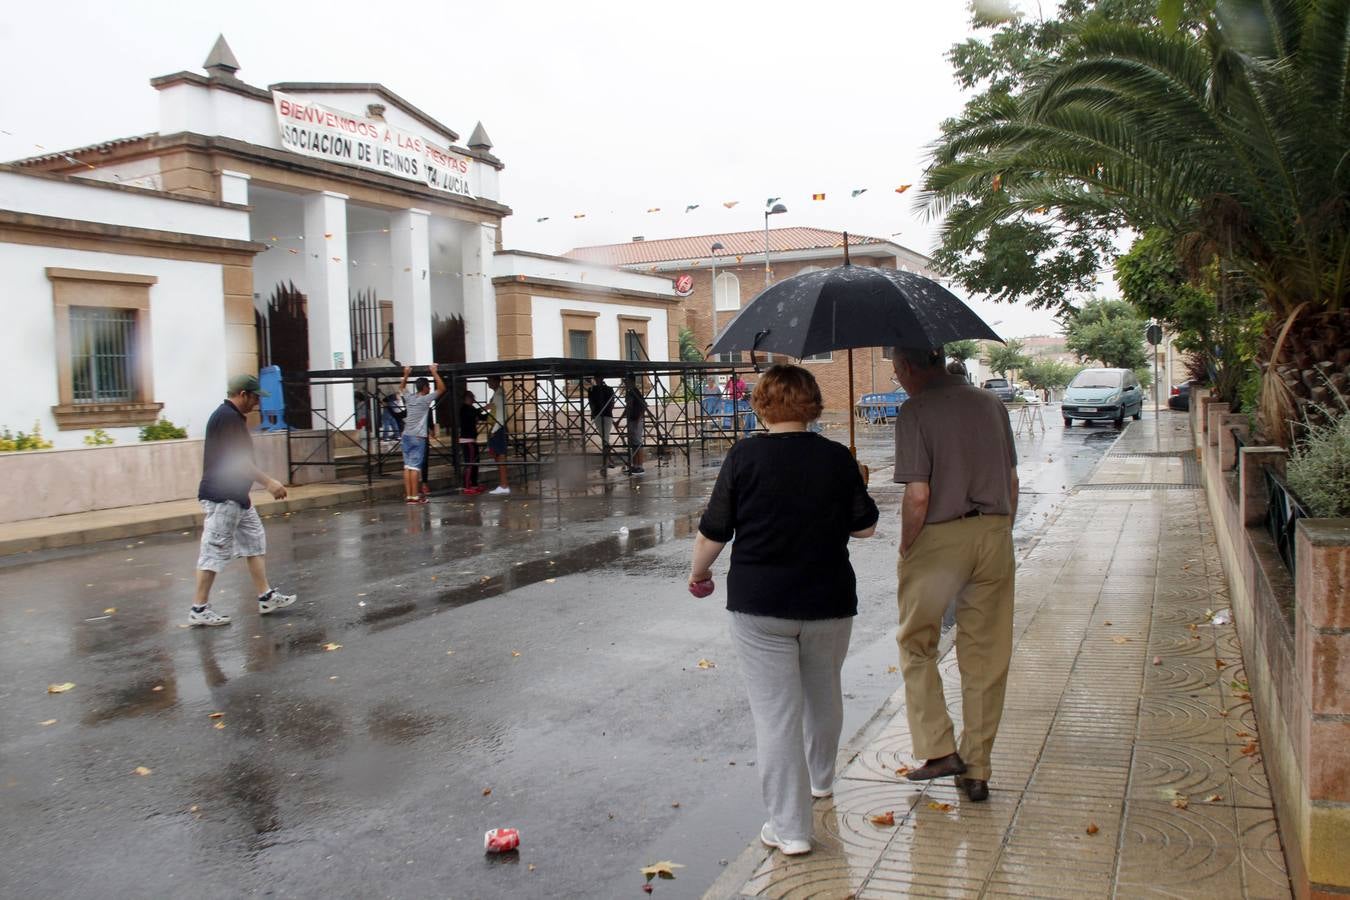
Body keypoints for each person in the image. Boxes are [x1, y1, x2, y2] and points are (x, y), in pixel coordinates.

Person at [689, 364, 878, 856]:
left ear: (762, 404)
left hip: (761, 605)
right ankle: (821, 781)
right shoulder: (837, 457)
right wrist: (856, 481)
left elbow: (715, 530)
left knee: (776, 716)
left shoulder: (744, 456)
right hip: (830, 600)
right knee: (824, 695)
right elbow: (865, 528)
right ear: (813, 404)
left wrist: (699, 574)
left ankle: (791, 829)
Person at [890, 346, 1019, 803]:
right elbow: (1011, 478)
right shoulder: (991, 403)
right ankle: (978, 767)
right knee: (986, 654)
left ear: (907, 366)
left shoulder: (915, 410)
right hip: (995, 533)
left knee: (916, 642)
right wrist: (1002, 529)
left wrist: (908, 544)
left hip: (939, 538)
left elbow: (918, 495)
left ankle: (940, 748)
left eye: (897, 368)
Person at [189, 374, 296, 627]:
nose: (258, 402)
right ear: (242, 393)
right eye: (255, 397)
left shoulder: (232, 417)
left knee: (254, 540)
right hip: (222, 496)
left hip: (237, 495)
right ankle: (199, 608)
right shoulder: (227, 417)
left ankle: (266, 596)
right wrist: (269, 482)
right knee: (214, 550)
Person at [398, 364, 444, 504]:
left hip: (406, 435)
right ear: (424, 388)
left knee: (407, 466)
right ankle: (415, 496)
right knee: (415, 467)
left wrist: (406, 373)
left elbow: (401, 388)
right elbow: (442, 389)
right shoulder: (425, 400)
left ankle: (410, 496)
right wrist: (434, 372)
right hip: (418, 437)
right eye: (428, 387)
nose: (429, 389)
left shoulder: (410, 398)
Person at [485, 375, 511, 495]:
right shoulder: (498, 394)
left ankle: (504, 485)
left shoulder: (499, 395)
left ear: (496, 381)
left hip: (498, 428)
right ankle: (503, 484)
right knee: (498, 456)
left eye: (490, 380)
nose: (488, 382)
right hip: (498, 427)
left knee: (500, 456)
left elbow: (501, 415)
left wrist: (493, 430)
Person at [458, 389, 486, 495]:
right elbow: (473, 414)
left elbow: (480, 416)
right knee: (469, 463)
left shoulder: (471, 408)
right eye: (472, 398)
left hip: (473, 439)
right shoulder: (464, 409)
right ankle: (466, 485)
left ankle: (474, 484)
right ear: (468, 398)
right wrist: (484, 408)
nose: (474, 400)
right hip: (467, 440)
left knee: (475, 462)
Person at [587, 376, 617, 472]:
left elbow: (592, 404)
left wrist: (594, 412)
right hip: (603, 415)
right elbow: (612, 403)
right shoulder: (605, 389)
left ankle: (607, 461)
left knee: (605, 439)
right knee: (605, 439)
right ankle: (608, 461)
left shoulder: (594, 390)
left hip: (602, 415)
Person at [622, 374, 648, 476]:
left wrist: (638, 418)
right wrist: (620, 419)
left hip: (636, 420)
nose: (625, 384)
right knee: (632, 443)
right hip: (631, 419)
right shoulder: (629, 393)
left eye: (626, 382)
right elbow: (627, 407)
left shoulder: (635, 392)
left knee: (637, 442)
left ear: (631, 381)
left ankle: (640, 466)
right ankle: (634, 465)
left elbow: (643, 405)